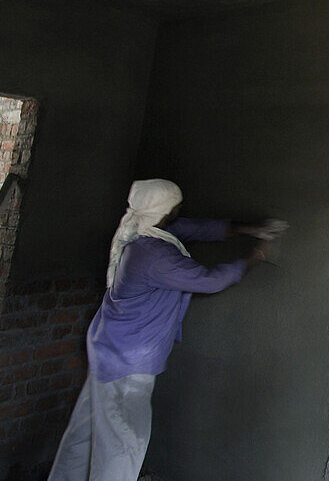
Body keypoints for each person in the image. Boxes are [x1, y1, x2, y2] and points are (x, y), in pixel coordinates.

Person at [49, 178, 280, 480]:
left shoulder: (140, 229)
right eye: (176, 205)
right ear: (163, 210)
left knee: (86, 432)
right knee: (124, 445)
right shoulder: (153, 255)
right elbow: (210, 281)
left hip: (108, 347)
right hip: (127, 365)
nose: (180, 209)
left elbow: (193, 229)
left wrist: (248, 228)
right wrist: (257, 256)